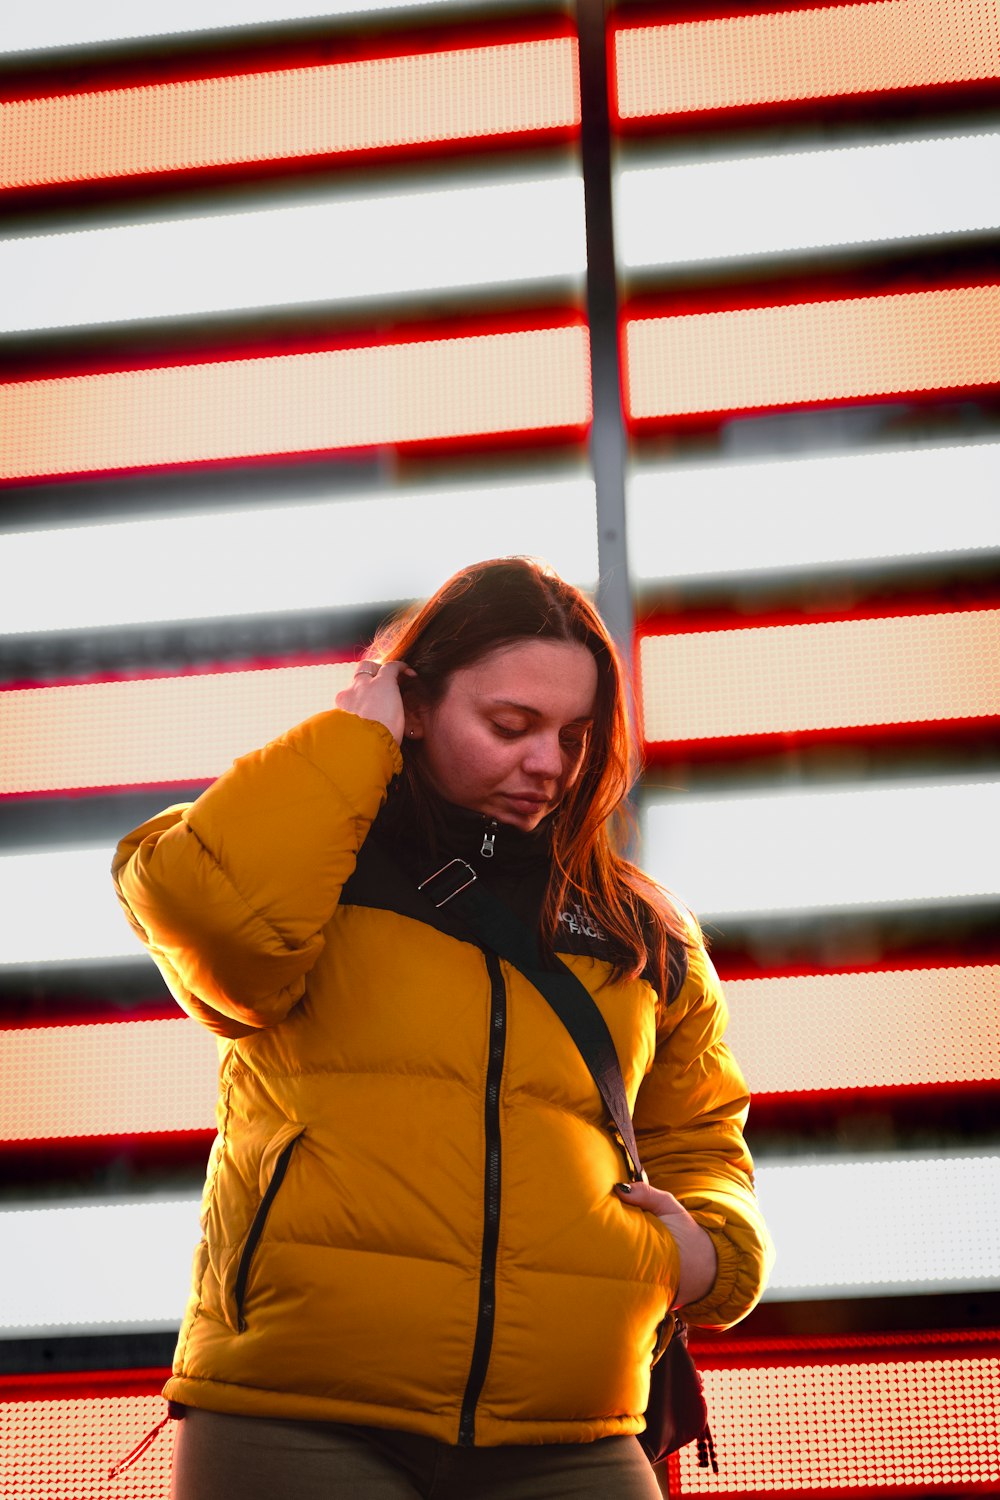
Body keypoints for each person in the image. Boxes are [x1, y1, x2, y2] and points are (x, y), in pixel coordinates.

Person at [112, 557, 773, 1500]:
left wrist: (708, 1253)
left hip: (572, 1426)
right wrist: (353, 738)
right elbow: (220, 930)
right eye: (510, 725)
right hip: (297, 1416)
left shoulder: (639, 928)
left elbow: (700, 1137)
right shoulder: (308, 865)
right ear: (413, 702)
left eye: (574, 735)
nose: (548, 762)